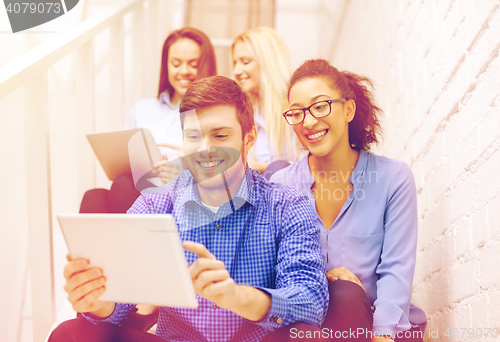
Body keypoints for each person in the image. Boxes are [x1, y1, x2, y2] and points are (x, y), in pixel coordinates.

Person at [49, 76, 329, 342]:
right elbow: (119, 301)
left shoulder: (288, 205)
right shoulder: (157, 201)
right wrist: (97, 301)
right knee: (70, 333)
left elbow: (310, 300)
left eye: (220, 135)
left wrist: (236, 297)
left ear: (249, 138)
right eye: (194, 136)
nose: (204, 149)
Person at [271, 59, 427, 342]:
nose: (308, 122)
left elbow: (396, 270)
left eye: (320, 106)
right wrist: (323, 278)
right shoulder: (280, 186)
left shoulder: (393, 178)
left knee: (345, 297)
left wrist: (382, 334)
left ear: (348, 109)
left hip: (374, 324)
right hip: (308, 324)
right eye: (297, 112)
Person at [80, 27, 217, 213]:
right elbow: (123, 164)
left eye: (193, 64)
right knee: (94, 197)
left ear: (206, 66)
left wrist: (182, 172)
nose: (184, 71)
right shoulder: (143, 108)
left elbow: (225, 173)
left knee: (122, 186)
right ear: (166, 65)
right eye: (176, 64)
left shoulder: (217, 114)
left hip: (185, 197)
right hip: (138, 190)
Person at [231, 27, 297, 177]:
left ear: (268, 61)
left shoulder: (297, 110)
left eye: (245, 62)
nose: (236, 71)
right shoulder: (241, 113)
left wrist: (265, 168)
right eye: (235, 63)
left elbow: (313, 169)